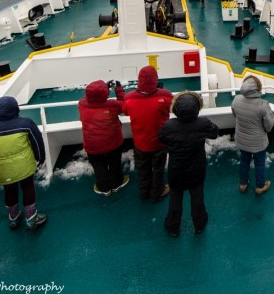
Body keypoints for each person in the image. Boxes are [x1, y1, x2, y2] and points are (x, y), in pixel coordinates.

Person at [0, 96, 47, 230]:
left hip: (1, 169)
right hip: (23, 167)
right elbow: (37, 141)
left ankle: (14, 217)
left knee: (9, 190)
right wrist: (40, 158)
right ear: (16, 109)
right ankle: (31, 218)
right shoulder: (26, 123)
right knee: (28, 188)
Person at [158, 91, 219, 236]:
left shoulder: (169, 125)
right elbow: (215, 133)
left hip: (176, 168)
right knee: (197, 195)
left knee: (175, 196)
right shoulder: (203, 123)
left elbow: (162, 138)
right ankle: (199, 223)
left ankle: (173, 227)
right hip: (196, 167)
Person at [122, 65, 173, 202]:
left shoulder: (129, 98)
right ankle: (158, 192)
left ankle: (144, 192)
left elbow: (125, 110)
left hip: (140, 143)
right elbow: (173, 107)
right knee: (158, 168)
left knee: (142, 169)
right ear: (155, 80)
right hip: (159, 142)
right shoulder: (165, 95)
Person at [78, 79, 129, 195]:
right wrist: (118, 89)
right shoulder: (112, 105)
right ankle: (117, 183)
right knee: (114, 162)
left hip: (92, 144)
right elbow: (125, 106)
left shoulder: (82, 104)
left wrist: (103, 89)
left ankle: (104, 188)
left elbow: (93, 99)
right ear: (104, 94)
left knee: (98, 165)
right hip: (112, 142)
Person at [231, 75, 274, 195]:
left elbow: (235, 115)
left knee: (244, 161)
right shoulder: (263, 104)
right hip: (258, 143)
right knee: (259, 163)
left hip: (242, 140)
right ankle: (260, 187)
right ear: (258, 88)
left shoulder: (236, 100)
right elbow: (269, 125)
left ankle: (243, 184)